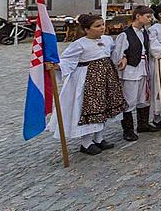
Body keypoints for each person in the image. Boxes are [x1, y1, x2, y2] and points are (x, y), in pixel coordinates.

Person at [48, 14, 125, 155]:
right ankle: (86, 142)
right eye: (97, 26)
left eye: (102, 24)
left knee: (104, 106)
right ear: (86, 29)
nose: (102, 28)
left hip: (106, 78)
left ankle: (99, 138)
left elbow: (114, 53)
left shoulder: (108, 40)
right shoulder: (79, 44)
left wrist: (122, 58)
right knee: (89, 109)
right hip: (87, 79)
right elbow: (67, 60)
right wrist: (57, 66)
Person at [112, 6, 157, 141]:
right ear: (138, 16)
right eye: (148, 16)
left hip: (143, 68)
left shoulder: (145, 32)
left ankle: (143, 124)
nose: (150, 19)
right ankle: (128, 130)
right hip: (131, 70)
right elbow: (118, 54)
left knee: (144, 97)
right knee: (129, 99)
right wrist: (123, 58)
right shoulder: (125, 34)